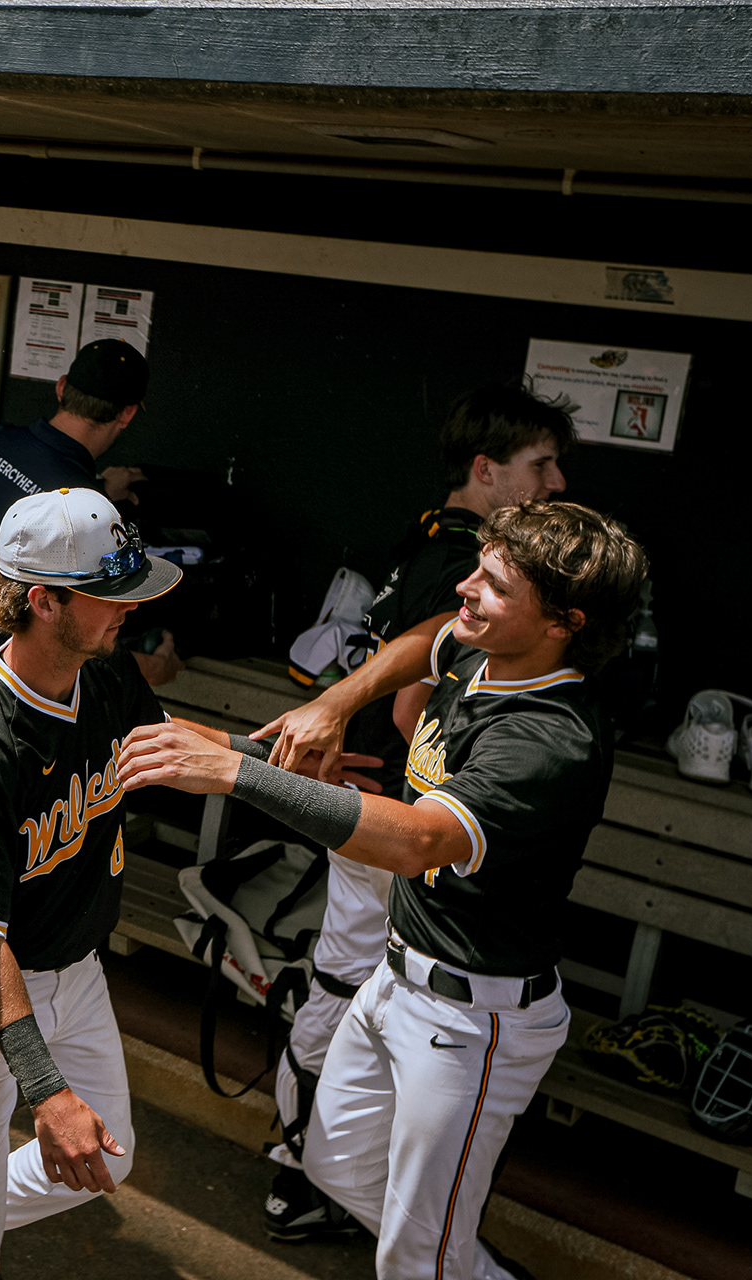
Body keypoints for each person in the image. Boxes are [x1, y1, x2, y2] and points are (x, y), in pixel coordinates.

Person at [115, 501, 648, 1280]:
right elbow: (424, 636)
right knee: (334, 1166)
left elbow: (420, 841)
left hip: (475, 1019)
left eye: (495, 584)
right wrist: (334, 702)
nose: (466, 587)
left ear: (563, 622)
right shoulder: (482, 649)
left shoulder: (550, 736)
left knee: (415, 1257)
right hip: (397, 979)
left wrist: (237, 768)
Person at [263, 378, 576, 1240]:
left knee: (351, 987)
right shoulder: (468, 559)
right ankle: (301, 1170)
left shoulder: (432, 540)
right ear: (486, 468)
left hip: (370, 810)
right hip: (384, 815)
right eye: (538, 464)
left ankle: (318, 1171)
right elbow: (414, 713)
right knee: (346, 987)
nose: (554, 481)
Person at [0, 487, 197, 1280]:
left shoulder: (105, 676)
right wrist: (46, 1091)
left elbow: (175, 749)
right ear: (42, 600)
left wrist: (274, 762)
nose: (126, 611)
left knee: (113, 1155)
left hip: (78, 971)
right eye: (107, 596)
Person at [0, 340, 177, 740]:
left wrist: (97, 489)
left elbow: (33, 492)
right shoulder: (77, 505)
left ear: (62, 387)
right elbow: (78, 638)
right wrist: (156, 668)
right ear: (127, 413)